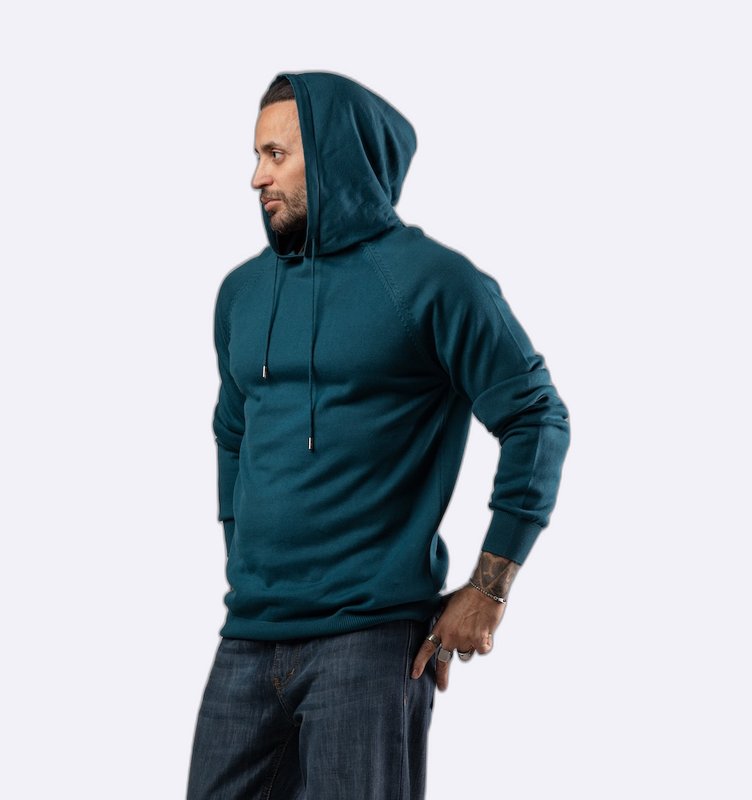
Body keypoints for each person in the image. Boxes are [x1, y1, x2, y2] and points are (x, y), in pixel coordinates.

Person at [186, 71, 570, 800]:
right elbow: (232, 432)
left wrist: (489, 588)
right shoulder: (241, 292)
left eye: (276, 156)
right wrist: (244, 560)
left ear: (334, 158)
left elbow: (536, 416)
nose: (256, 177)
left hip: (369, 639)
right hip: (249, 633)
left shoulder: (434, 283)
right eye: (256, 156)